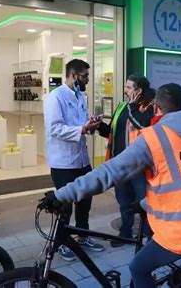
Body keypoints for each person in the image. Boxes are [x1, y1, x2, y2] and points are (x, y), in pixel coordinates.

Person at [44, 83, 181, 287]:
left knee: (138, 269)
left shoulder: (155, 138)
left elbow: (109, 172)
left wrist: (62, 194)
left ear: (156, 108)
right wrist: (143, 204)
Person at [44, 59, 104, 261]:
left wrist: (91, 124)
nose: (87, 79)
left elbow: (81, 123)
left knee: (85, 200)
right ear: (73, 75)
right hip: (63, 163)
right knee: (65, 206)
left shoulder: (81, 96)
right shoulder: (55, 97)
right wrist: (81, 129)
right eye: (85, 76)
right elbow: (55, 128)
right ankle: (61, 242)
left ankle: (83, 237)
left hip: (82, 160)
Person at [97, 74, 155, 247]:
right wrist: (98, 125)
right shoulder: (123, 106)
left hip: (139, 167)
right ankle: (126, 232)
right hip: (119, 164)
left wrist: (132, 106)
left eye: (129, 87)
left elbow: (141, 125)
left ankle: (150, 235)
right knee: (123, 201)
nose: (125, 90)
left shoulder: (149, 108)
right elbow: (110, 131)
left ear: (139, 91)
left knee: (144, 202)